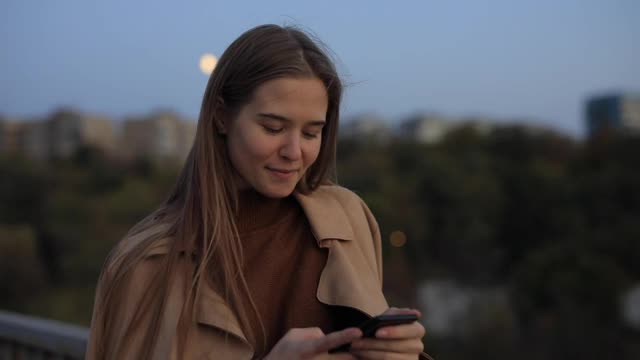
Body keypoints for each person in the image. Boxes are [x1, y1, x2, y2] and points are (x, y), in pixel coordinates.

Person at [87, 24, 431, 360]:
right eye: (273, 127)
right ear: (222, 117)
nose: (294, 152)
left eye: (312, 133)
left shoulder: (348, 218)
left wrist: (401, 353)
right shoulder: (147, 262)